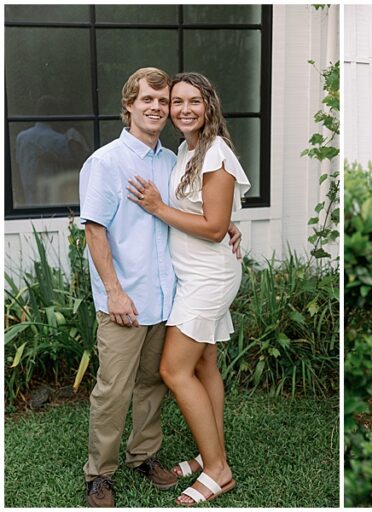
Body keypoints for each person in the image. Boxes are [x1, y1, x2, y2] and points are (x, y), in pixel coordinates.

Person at [79, 67, 241, 508]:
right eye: (147, 99)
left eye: (162, 100)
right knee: (113, 389)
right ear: (128, 105)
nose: (156, 107)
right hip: (125, 299)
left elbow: (202, 210)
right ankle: (99, 474)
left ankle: (144, 456)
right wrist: (113, 290)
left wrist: (227, 225)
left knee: (154, 382)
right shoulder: (107, 161)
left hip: (167, 295)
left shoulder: (172, 159)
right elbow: (94, 230)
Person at [127, 72, 250, 506]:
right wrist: (224, 222)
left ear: (208, 104)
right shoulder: (189, 148)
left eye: (192, 101)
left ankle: (219, 470)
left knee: (173, 370)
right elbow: (211, 214)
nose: (182, 109)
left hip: (208, 278)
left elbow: (214, 229)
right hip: (193, 274)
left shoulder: (215, 152)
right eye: (176, 102)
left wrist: (158, 208)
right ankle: (210, 453)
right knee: (203, 367)